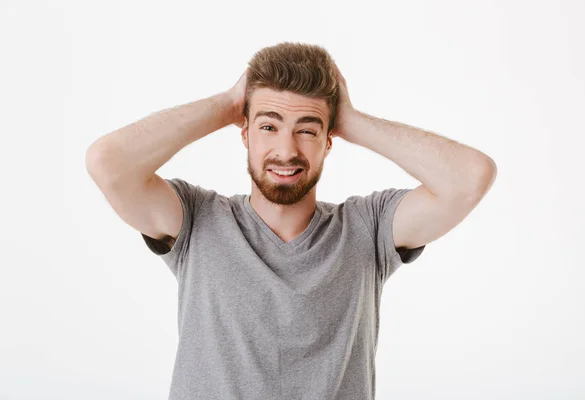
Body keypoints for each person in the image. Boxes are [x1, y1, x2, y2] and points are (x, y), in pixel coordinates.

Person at [86, 42, 496, 400]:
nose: (286, 150)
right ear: (244, 133)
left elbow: (470, 177)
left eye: (307, 130)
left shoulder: (368, 228)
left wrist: (349, 118)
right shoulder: (196, 220)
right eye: (268, 126)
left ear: (329, 141)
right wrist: (228, 103)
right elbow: (108, 163)